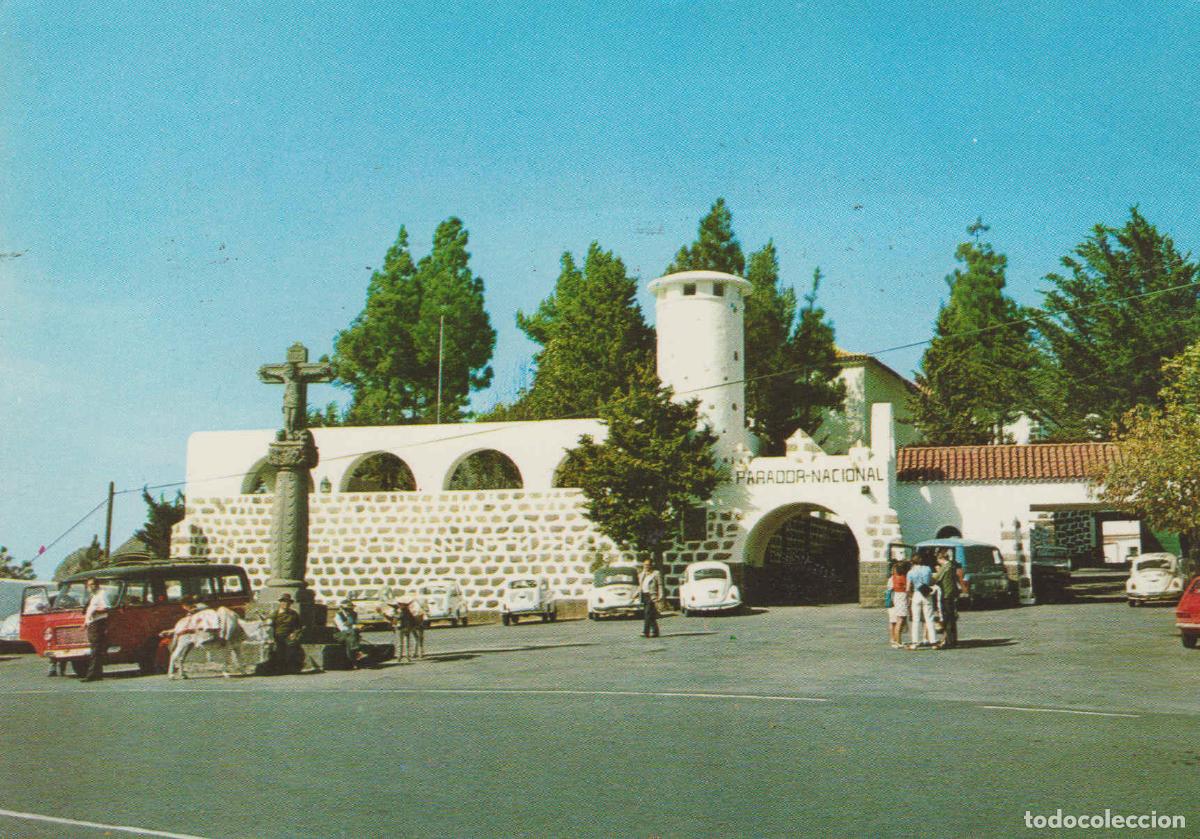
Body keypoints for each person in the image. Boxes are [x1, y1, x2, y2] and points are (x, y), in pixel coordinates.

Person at [933, 548, 969, 649]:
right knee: (951, 618)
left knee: (947, 618)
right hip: (951, 593)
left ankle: (949, 641)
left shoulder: (946, 566)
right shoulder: (951, 566)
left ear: (940, 558)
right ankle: (953, 639)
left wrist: (936, 571)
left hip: (946, 594)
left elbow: (936, 578)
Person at [82, 578, 112, 682]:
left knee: (95, 650)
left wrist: (96, 613)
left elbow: (107, 608)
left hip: (98, 624)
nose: (90, 587)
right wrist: (86, 622)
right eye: (88, 585)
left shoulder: (101, 594)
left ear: (97, 585)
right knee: (95, 650)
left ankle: (91, 675)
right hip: (92, 624)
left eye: (92, 584)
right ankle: (97, 674)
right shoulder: (94, 596)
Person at [906, 555, 937, 649]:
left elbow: (907, 588)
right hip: (927, 594)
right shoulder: (927, 569)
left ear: (912, 562)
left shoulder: (910, 572)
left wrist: (911, 597)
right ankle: (933, 642)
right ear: (921, 560)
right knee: (929, 618)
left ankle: (914, 642)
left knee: (915, 619)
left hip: (916, 594)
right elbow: (932, 581)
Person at [268, 593, 303, 674]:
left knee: (292, 647)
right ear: (280, 603)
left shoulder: (294, 614)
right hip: (277, 635)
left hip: (289, 635)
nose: (286, 604)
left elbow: (298, 626)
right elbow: (270, 624)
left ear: (290, 604)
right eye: (283, 602)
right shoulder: (275, 613)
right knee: (277, 649)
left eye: (288, 602)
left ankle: (291, 668)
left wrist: (294, 633)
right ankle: (279, 668)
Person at [886, 560, 910, 649]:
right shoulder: (903, 577)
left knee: (898, 620)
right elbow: (907, 589)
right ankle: (897, 641)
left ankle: (897, 640)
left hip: (897, 596)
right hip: (901, 597)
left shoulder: (893, 577)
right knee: (900, 620)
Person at [637, 558, 663, 638]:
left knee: (647, 613)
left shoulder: (656, 573)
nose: (646, 566)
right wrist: (636, 594)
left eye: (648, 565)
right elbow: (640, 585)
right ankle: (655, 631)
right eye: (645, 565)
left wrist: (661, 595)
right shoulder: (642, 574)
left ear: (651, 565)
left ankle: (645, 632)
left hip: (652, 595)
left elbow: (660, 585)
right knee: (650, 614)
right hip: (644, 595)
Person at [334, 598, 362, 668]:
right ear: (343, 609)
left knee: (352, 636)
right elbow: (342, 628)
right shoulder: (338, 615)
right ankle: (356, 650)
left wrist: (358, 627)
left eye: (351, 609)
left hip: (352, 634)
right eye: (347, 609)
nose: (350, 610)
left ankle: (354, 658)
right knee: (351, 635)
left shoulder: (354, 614)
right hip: (340, 634)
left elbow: (356, 623)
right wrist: (353, 627)